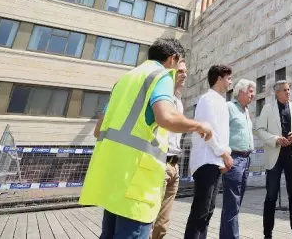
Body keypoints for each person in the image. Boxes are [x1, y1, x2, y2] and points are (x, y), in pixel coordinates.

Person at [79, 37, 213, 239]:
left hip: (112, 175)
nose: (178, 71)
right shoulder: (161, 76)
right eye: (179, 64)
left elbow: (99, 129)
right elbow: (166, 117)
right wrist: (198, 125)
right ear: (173, 58)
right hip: (136, 181)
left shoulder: (126, 79)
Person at [184, 65, 234, 239]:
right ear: (219, 79)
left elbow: (221, 133)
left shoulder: (221, 101)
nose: (230, 81)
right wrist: (224, 154)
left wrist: (223, 156)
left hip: (216, 161)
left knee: (208, 211)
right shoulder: (208, 99)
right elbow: (207, 132)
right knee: (200, 209)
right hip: (206, 161)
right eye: (228, 78)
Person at [254, 80, 292, 239]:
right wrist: (275, 139)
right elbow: (260, 130)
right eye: (285, 90)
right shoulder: (267, 108)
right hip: (274, 156)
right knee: (271, 196)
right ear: (277, 92)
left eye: (289, 89)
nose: (288, 92)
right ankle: (267, 234)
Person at [150, 60, 188, 239]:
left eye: (185, 71)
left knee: (163, 222)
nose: (185, 75)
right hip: (159, 162)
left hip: (175, 165)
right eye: (180, 71)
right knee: (149, 217)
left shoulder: (179, 100)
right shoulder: (160, 96)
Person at [219, 79, 256, 239]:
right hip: (234, 159)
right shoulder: (229, 108)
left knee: (233, 204)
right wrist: (224, 155)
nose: (253, 95)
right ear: (240, 92)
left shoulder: (246, 111)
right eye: (250, 91)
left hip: (246, 159)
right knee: (232, 203)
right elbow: (219, 132)